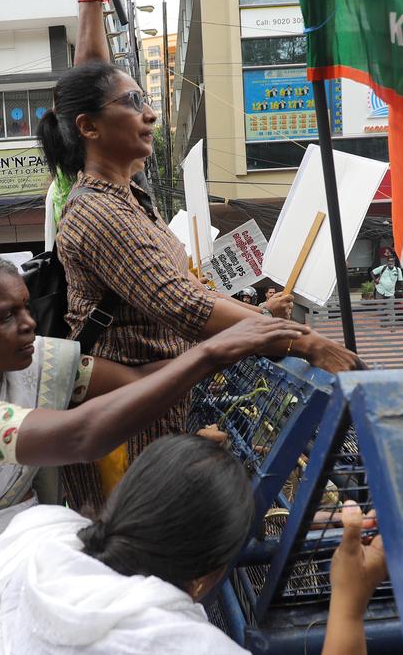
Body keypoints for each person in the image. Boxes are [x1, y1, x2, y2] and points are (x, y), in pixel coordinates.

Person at [0, 252, 305, 652]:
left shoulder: (32, 360)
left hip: (15, 554)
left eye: (25, 307)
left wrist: (235, 348)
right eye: (5, 316)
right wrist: (213, 352)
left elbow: (138, 382)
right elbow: (80, 436)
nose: (28, 323)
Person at [39, 59, 358, 509]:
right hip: (124, 428)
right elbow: (184, 305)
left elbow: (195, 290)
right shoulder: (97, 213)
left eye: (146, 100)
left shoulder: (132, 200)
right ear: (88, 126)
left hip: (156, 413)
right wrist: (301, 342)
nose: (150, 114)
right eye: (133, 102)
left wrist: (262, 318)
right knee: (137, 549)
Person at [0, 435, 387, 654]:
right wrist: (349, 601)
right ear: (208, 575)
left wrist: (187, 466)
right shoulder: (184, 645)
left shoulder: (35, 536)